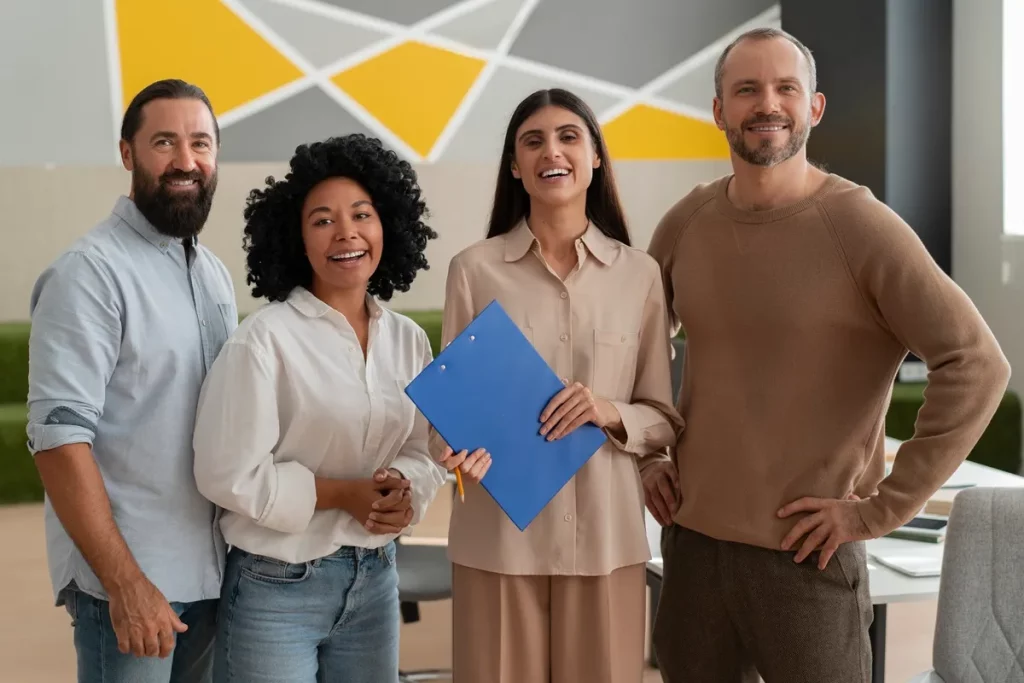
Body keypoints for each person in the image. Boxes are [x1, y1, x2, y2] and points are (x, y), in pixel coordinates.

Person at [646, 27, 1011, 683]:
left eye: (787, 88)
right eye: (747, 89)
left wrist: (881, 507)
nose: (768, 104)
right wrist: (644, 454)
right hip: (692, 550)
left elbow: (977, 363)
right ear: (719, 110)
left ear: (814, 108)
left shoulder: (861, 226)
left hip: (806, 558)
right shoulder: (686, 222)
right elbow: (634, 346)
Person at [432, 88, 684, 683]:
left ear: (595, 157)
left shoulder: (640, 275)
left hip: (605, 541)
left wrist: (606, 409)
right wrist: (451, 451)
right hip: (497, 542)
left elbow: (663, 419)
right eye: (533, 140)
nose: (553, 150)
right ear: (515, 166)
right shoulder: (473, 271)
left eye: (570, 136)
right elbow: (448, 411)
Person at [191, 133, 447, 682]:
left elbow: (422, 448)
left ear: (388, 227)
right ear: (298, 241)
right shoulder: (262, 341)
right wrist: (342, 495)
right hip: (274, 586)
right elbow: (226, 474)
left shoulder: (408, 340)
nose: (347, 232)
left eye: (362, 214)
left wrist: (404, 491)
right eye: (323, 220)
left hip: (376, 579)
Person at [26, 79, 234, 683]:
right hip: (134, 587)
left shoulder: (213, 273)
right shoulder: (88, 275)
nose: (186, 161)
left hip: (215, 577)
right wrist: (127, 583)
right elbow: (59, 443)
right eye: (164, 142)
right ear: (127, 154)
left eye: (201, 143)